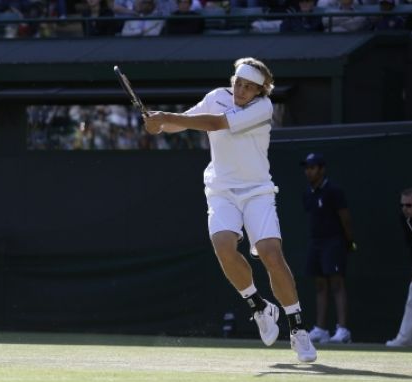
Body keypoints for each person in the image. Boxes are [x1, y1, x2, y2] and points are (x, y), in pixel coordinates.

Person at [143, 57, 317, 363]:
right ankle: (259, 307)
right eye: (239, 83)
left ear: (261, 91)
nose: (242, 90)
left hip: (257, 191)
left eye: (250, 87)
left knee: (270, 254)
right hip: (221, 190)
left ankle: (297, 328)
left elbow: (213, 124)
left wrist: (168, 117)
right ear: (232, 80)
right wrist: (158, 124)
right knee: (223, 246)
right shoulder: (216, 96)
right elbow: (184, 120)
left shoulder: (263, 108)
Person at [301, 153, 356, 344]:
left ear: (322, 169)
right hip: (315, 243)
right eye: (307, 168)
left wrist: (349, 241)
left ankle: (343, 330)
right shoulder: (308, 192)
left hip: (334, 242)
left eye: (313, 167)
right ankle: (321, 329)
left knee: (337, 284)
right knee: (320, 285)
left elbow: (345, 218)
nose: (309, 171)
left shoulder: (334, 191)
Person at [386, 188, 412, 347]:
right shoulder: (405, 219)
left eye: (409, 205)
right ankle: (406, 340)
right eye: (402, 205)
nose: (405, 208)